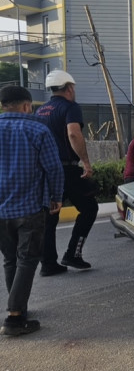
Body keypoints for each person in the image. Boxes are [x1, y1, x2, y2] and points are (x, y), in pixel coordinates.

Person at [0, 85, 64, 336]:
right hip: (29, 207)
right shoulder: (37, 128)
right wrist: (56, 197)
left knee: (10, 259)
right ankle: (15, 318)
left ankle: (19, 307)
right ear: (27, 105)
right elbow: (53, 168)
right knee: (27, 260)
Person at [36, 70, 98, 275]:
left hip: (45, 170)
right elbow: (73, 133)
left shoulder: (41, 111)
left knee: (50, 216)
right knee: (89, 208)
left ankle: (48, 264)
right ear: (69, 88)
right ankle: (72, 254)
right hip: (66, 169)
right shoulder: (71, 107)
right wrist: (86, 163)